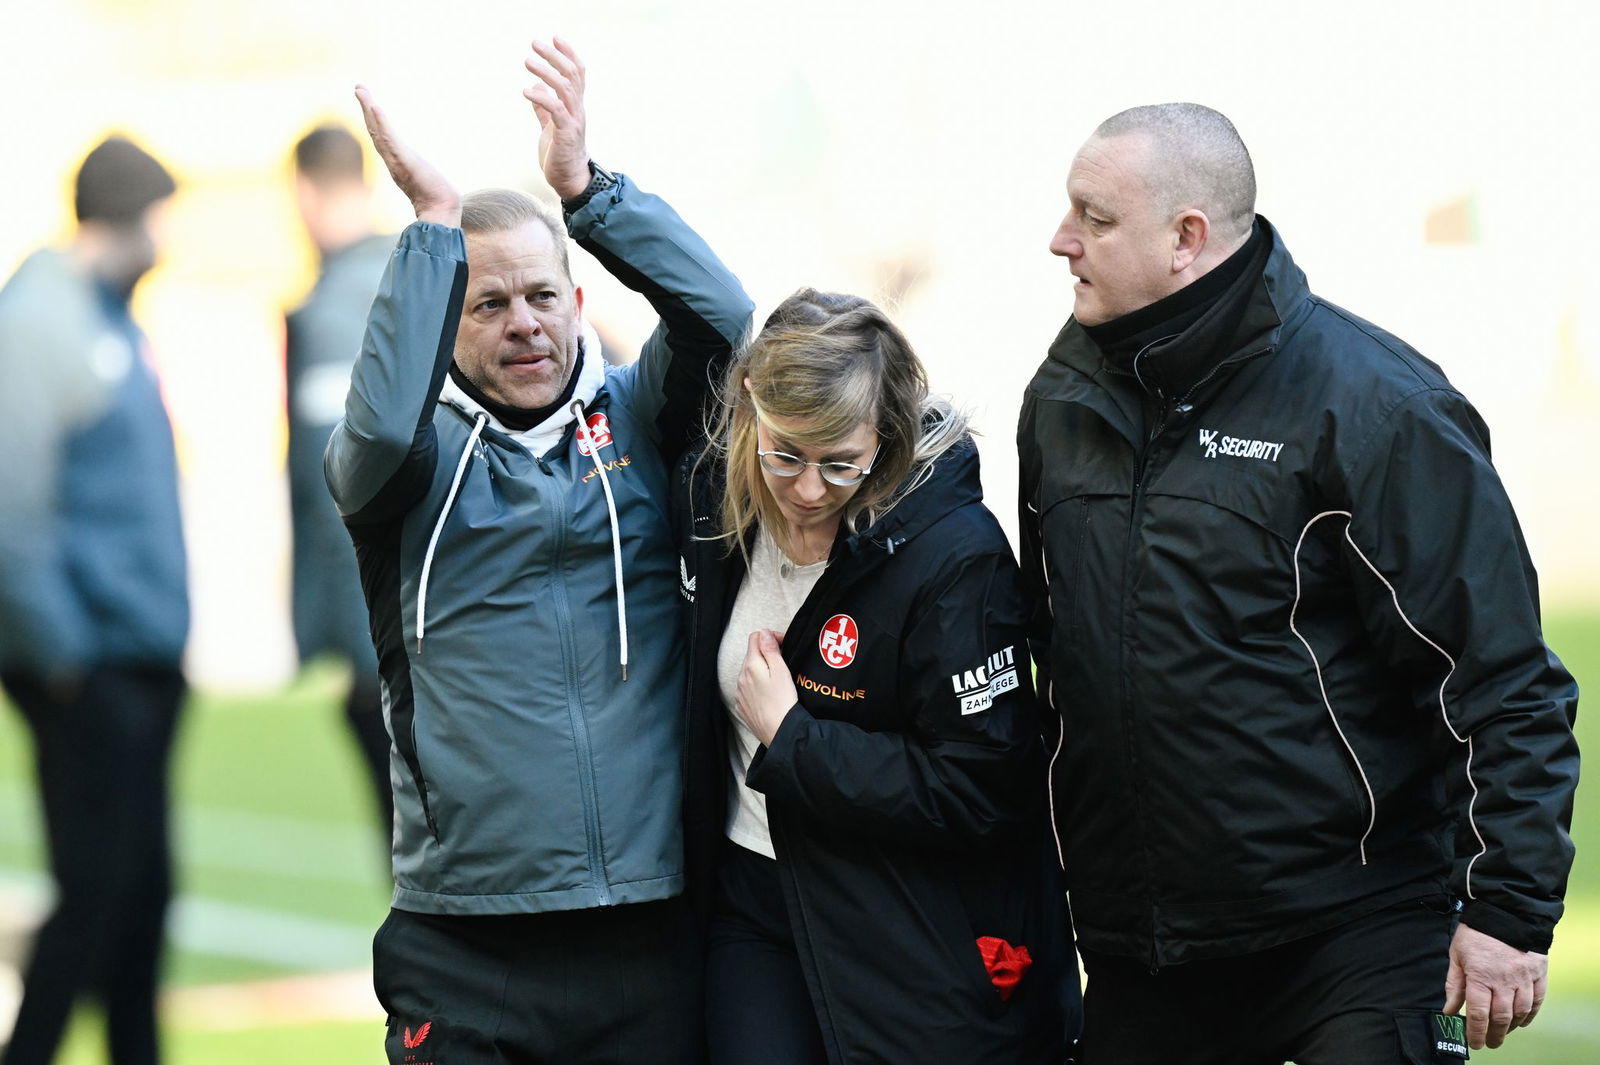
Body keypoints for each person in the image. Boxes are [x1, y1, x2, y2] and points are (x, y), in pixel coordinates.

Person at [1017, 102, 1580, 1063]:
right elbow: (1050, 658)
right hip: (1137, 947)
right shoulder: (1062, 399)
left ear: (1186, 238)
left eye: (1095, 218)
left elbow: (1500, 679)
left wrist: (1511, 915)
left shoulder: (1379, 408)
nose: (1060, 240)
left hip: (1363, 939)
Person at [327, 38, 753, 1065]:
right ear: (448, 317)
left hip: (645, 926)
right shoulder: (408, 464)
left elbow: (725, 317)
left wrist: (586, 191)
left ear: (574, 296)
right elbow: (377, 433)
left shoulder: (642, 421)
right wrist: (431, 228)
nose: (524, 324)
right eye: (488, 303)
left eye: (540, 295)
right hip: (468, 936)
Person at [676, 290, 1080, 1065]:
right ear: (752, 404)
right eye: (786, 452)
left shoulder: (955, 557)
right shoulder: (714, 497)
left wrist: (796, 739)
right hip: (753, 908)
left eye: (839, 462)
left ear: (885, 437)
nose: (806, 487)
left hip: (901, 920)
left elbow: (982, 786)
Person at [0, 136, 188, 1065]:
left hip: (137, 661)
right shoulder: (42, 319)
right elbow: (12, 510)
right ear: (132, 213)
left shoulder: (109, 318)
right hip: (92, 667)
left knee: (142, 894)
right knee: (98, 892)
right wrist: (63, 654)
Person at [285, 122, 398, 838]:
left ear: (301, 194)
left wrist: (355, 641)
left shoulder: (333, 309)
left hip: (384, 624)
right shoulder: (412, 274)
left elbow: (340, 481)